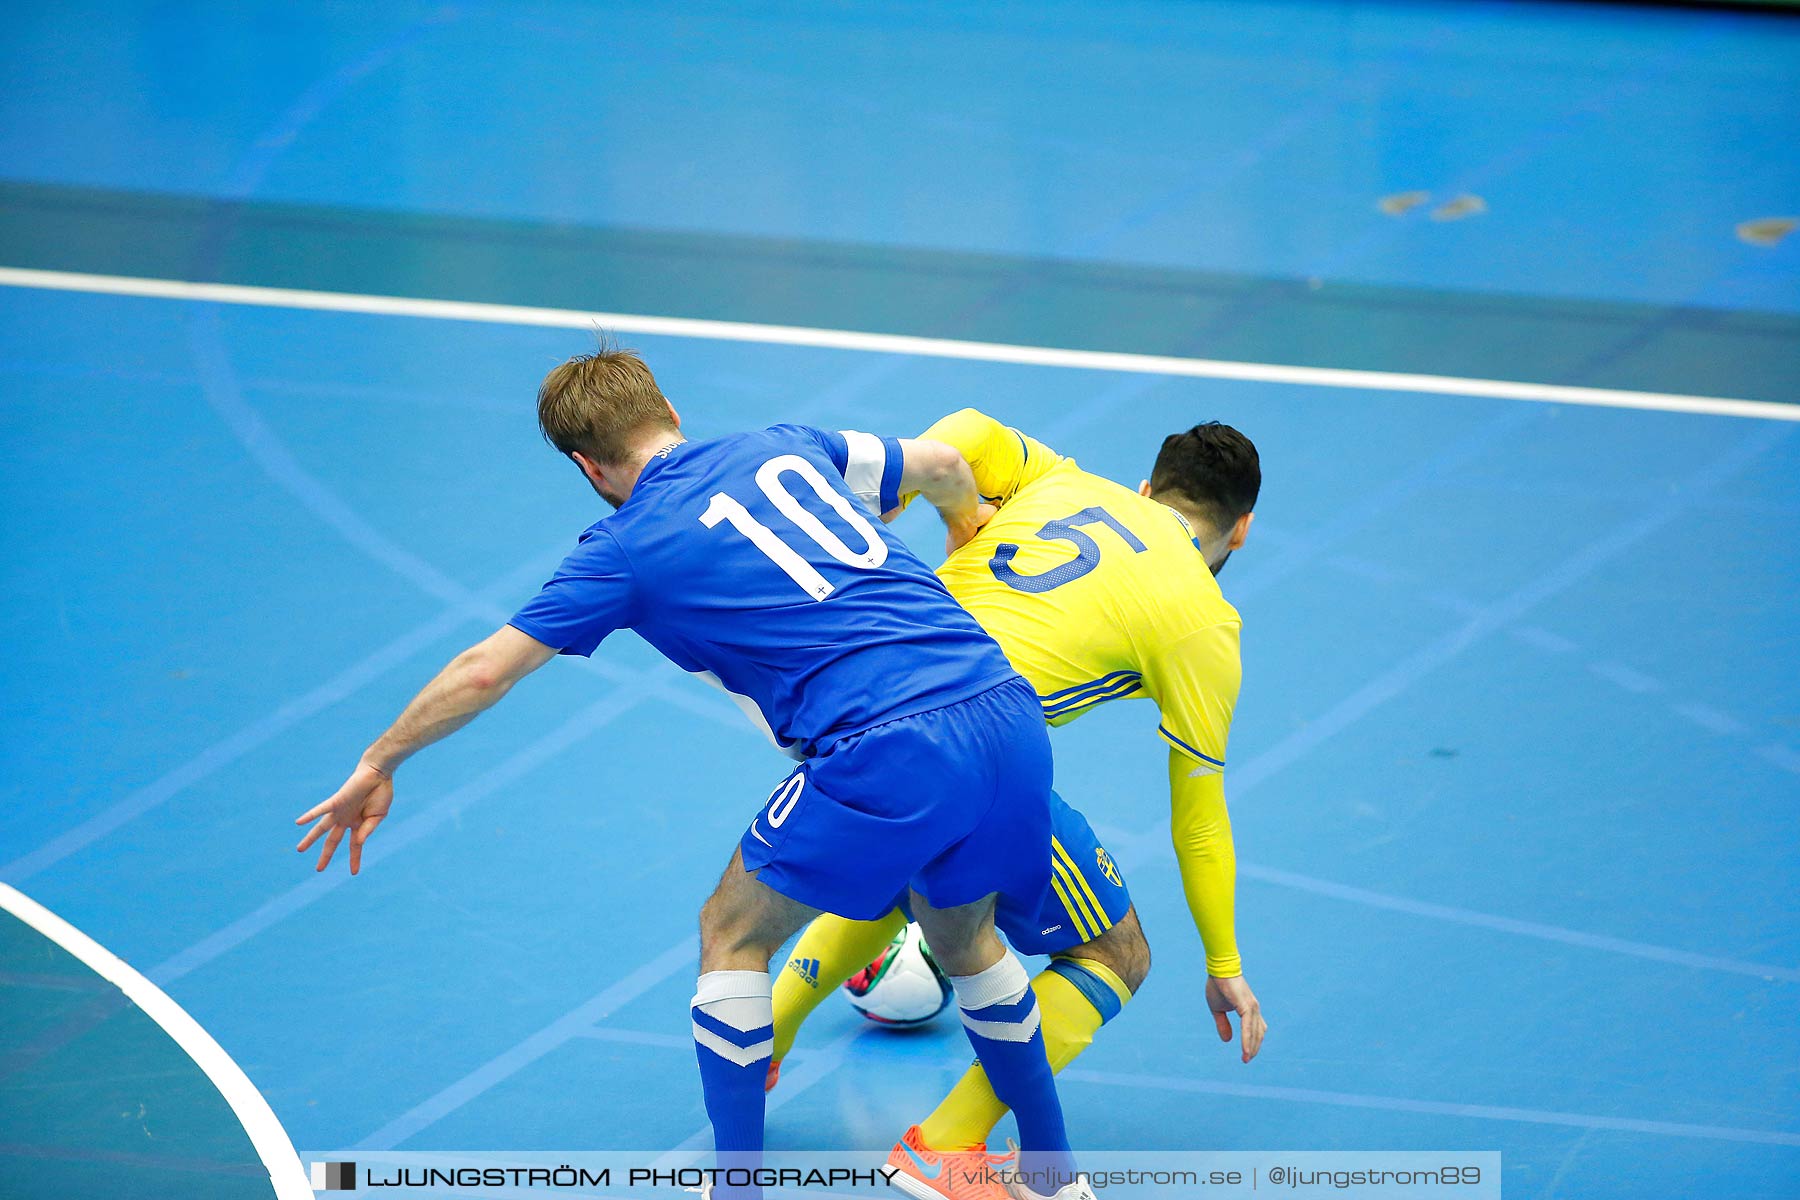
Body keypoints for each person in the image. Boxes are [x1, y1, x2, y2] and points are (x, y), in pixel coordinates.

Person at [293, 353, 1093, 1200]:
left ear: (586, 467)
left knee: (733, 932)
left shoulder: (626, 547)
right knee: (966, 941)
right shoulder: (786, 444)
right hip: (1005, 711)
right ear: (668, 408)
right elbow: (941, 464)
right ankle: (1054, 1177)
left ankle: (735, 1189)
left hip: (887, 747)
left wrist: (379, 761)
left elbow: (486, 670)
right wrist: (965, 524)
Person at [767, 409, 1268, 1199]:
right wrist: (1225, 965)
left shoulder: (1062, 477)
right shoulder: (1205, 622)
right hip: (957, 738)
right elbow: (1198, 820)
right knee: (1115, 953)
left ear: (1144, 488)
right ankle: (945, 1145)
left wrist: (943, 508)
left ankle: (768, 1033)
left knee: (929, 864)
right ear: (1239, 532)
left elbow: (966, 428)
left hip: (852, 695)